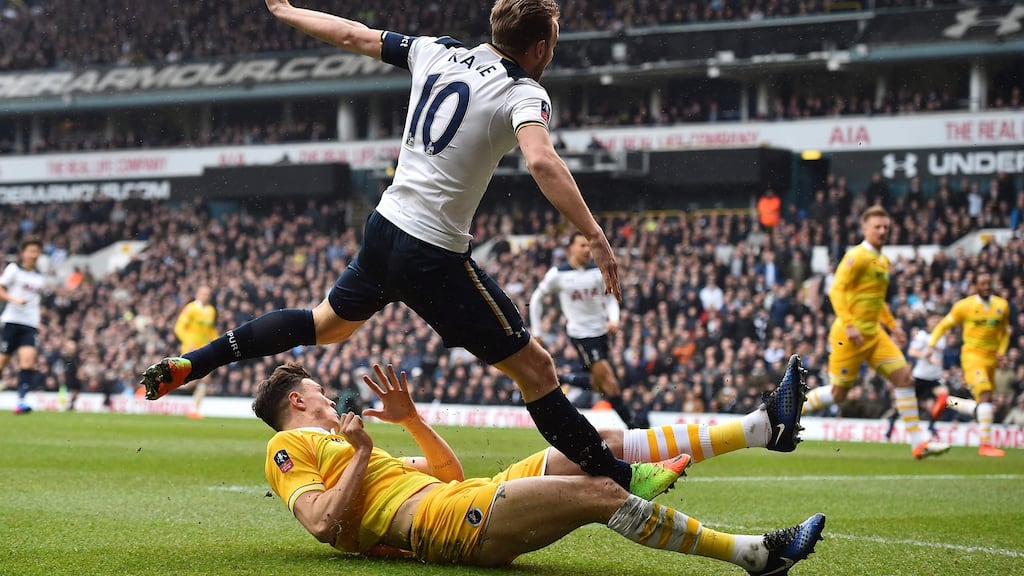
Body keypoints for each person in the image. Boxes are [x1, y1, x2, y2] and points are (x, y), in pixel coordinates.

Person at [138, 0, 773, 499]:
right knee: (538, 372)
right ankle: (621, 475)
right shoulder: (524, 90)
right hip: (432, 251)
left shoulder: (436, 52)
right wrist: (596, 236)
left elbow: (356, 36)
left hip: (385, 225)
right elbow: (542, 161)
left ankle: (195, 362)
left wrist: (285, 9)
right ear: (542, 44)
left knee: (325, 326)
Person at [255, 359, 824, 573]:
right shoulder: (290, 449)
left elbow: (448, 472)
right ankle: (751, 554)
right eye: (321, 391)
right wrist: (357, 453)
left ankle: (757, 428)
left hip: (466, 494)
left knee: (593, 440)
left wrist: (411, 421)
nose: (331, 397)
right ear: (299, 403)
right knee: (598, 494)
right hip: (443, 525)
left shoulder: (358, 448)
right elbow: (325, 524)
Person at [802, 206, 949, 459]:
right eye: (877, 227)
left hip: (874, 335)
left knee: (904, 378)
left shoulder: (882, 261)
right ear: (865, 229)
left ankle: (919, 444)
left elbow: (877, 301)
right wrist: (849, 324)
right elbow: (836, 290)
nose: (882, 231)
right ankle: (788, 409)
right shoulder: (856, 256)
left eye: (886, 228)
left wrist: (893, 326)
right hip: (847, 334)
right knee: (839, 394)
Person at [529, 231, 640, 428]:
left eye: (589, 246)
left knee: (599, 384)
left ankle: (563, 378)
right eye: (582, 245)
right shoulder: (558, 274)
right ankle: (634, 427)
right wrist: (537, 332)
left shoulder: (597, 271)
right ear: (570, 248)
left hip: (602, 333)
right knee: (609, 381)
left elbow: (610, 297)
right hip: (581, 334)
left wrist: (613, 320)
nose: (587, 250)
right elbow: (537, 298)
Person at [927, 272, 1012, 457]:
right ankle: (985, 445)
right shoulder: (964, 306)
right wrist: (932, 344)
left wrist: (1002, 352)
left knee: (985, 404)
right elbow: (943, 325)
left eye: (989, 282)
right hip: (972, 356)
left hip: (991, 358)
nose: (987, 286)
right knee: (985, 393)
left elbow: (1005, 333)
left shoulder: (1002, 306)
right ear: (975, 286)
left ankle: (948, 401)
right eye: (982, 283)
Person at [0, 236, 46, 415]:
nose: (34, 255)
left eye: (37, 251)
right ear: (24, 253)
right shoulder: (14, 270)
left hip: (30, 323)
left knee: (28, 360)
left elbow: (36, 301)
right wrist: (14, 299)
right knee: (3, 362)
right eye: (31, 251)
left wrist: (38, 320)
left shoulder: (40, 277)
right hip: (12, 320)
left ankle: (21, 401)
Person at [885, 311, 944, 440]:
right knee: (908, 404)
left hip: (934, 378)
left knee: (944, 398)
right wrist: (926, 357)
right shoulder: (922, 335)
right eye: (934, 320)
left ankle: (931, 426)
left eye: (939, 320)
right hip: (920, 377)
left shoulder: (942, 336)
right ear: (928, 321)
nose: (937, 323)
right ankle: (891, 424)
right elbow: (912, 351)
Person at [172, 285, 219, 419]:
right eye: (203, 294)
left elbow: (211, 330)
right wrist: (188, 342)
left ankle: (195, 410)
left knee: (205, 379)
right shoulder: (190, 309)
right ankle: (165, 389)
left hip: (205, 348)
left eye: (208, 294)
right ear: (197, 295)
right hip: (190, 348)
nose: (206, 296)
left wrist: (218, 342)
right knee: (188, 381)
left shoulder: (211, 310)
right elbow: (179, 328)